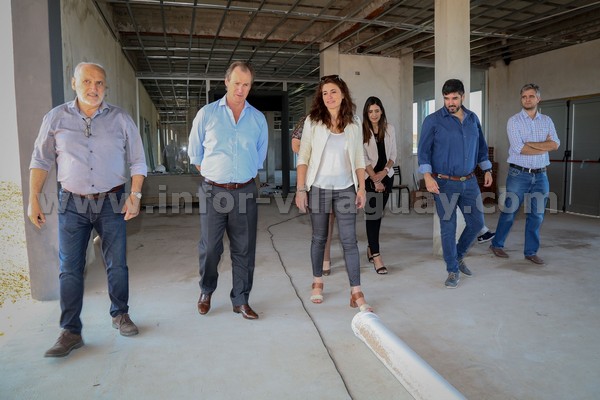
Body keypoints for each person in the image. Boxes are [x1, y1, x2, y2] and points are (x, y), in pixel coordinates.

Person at [28, 62, 147, 357]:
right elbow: (41, 160)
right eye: (87, 81)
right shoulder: (56, 118)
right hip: (72, 202)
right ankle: (70, 331)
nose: (93, 88)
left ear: (106, 86)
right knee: (70, 267)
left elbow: (137, 160)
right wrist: (33, 198)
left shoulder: (120, 118)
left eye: (99, 83)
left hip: (112, 200)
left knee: (116, 263)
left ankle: (120, 314)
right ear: (74, 83)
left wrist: (135, 194)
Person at [188, 61, 268, 320]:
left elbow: (258, 157)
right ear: (226, 82)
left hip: (245, 191)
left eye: (246, 84)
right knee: (211, 247)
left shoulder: (257, 119)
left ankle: (241, 299)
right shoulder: (207, 114)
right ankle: (206, 290)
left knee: (244, 248)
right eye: (236, 83)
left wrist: (240, 177)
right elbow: (196, 154)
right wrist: (217, 175)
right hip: (214, 191)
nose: (240, 89)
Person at [295, 74, 372, 312]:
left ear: (343, 94)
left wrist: (361, 187)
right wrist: (301, 189)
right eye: (325, 93)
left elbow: (359, 157)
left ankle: (356, 292)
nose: (329, 97)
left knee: (350, 241)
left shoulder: (354, 122)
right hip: (318, 188)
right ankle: (317, 282)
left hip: (346, 189)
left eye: (333, 92)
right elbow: (303, 156)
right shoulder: (313, 121)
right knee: (319, 238)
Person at [418, 79, 493, 288]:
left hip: (470, 182)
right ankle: (452, 269)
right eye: (447, 98)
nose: (450, 102)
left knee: (476, 223)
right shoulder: (433, 121)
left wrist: (487, 169)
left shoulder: (472, 118)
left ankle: (458, 255)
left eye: (454, 98)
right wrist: (427, 177)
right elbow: (423, 152)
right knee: (448, 228)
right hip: (444, 183)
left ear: (462, 97)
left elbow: (481, 146)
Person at [490, 83, 559, 264]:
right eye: (524, 97)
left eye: (531, 96)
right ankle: (497, 244)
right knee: (510, 211)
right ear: (521, 99)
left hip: (541, 175)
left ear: (538, 99)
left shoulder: (547, 121)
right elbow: (519, 148)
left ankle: (530, 252)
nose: (527, 99)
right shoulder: (514, 121)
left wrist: (531, 144)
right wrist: (543, 146)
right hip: (518, 174)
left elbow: (555, 144)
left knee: (537, 215)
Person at [292, 116, 335, 275]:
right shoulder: (307, 121)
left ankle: (326, 256)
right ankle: (321, 256)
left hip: (335, 177)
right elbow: (295, 145)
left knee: (330, 218)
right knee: (320, 221)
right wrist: (314, 155)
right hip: (313, 178)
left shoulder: (338, 119)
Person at [362, 96, 397, 274]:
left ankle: (371, 247)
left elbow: (393, 155)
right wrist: (375, 179)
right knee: (372, 216)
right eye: (370, 111)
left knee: (378, 215)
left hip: (387, 177)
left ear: (381, 111)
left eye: (376, 111)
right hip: (369, 178)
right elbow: (362, 158)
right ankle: (376, 256)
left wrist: (384, 172)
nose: (374, 114)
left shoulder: (389, 129)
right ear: (366, 114)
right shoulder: (362, 131)